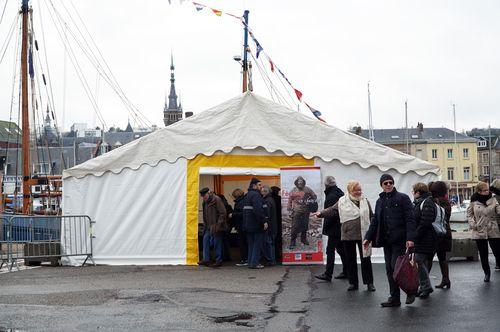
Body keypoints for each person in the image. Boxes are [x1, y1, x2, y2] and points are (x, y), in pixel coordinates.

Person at [363, 174, 415, 307]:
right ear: (381, 185)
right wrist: (368, 237)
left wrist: (410, 238)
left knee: (396, 267)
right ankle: (395, 298)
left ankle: (410, 291)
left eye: (390, 182)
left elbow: (410, 219)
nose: (388, 185)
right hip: (386, 241)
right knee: (389, 269)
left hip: (399, 239)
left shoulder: (403, 198)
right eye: (385, 183)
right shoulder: (380, 201)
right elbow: (375, 221)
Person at [315, 180, 375, 291]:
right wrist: (321, 213)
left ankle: (369, 283)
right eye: (356, 190)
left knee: (366, 259)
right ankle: (353, 283)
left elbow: (372, 216)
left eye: (360, 190)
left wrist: (373, 231)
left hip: (363, 234)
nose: (359, 192)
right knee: (350, 260)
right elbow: (332, 210)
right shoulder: (342, 201)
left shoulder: (365, 201)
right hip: (348, 235)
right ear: (350, 190)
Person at [315, 176, 348, 282]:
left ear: (326, 185)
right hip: (340, 226)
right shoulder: (340, 193)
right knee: (341, 250)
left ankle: (328, 274)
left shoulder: (331, 196)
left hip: (334, 228)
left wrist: (327, 228)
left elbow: (331, 213)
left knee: (330, 250)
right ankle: (347, 271)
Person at [467, 181, 500, 282]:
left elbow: (498, 210)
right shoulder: (473, 201)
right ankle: (487, 273)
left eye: (487, 190)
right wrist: (473, 224)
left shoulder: (493, 199)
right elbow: (469, 214)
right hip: (479, 230)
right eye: (485, 190)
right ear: (479, 191)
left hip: (492, 229)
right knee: (483, 254)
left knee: (498, 252)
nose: (487, 192)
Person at [411, 183, 437, 299]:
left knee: (419, 261)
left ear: (418, 192)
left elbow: (425, 222)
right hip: (425, 238)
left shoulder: (426, 202)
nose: (413, 194)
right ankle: (423, 287)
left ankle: (426, 287)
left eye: (414, 192)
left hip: (426, 238)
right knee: (422, 263)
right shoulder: (423, 202)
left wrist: (415, 235)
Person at [429, 181, 452, 289]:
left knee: (428, 257)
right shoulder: (446, 202)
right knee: (442, 257)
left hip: (435, 232)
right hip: (445, 231)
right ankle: (446, 279)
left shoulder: (435, 201)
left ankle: (423, 284)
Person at [198, 187, 227, 268]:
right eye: (203, 196)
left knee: (217, 243)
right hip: (208, 226)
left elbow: (223, 213)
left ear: (209, 193)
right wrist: (205, 224)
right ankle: (206, 259)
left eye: (205, 196)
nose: (204, 198)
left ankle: (218, 261)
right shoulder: (205, 202)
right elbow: (204, 214)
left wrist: (218, 225)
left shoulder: (217, 200)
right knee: (205, 241)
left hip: (216, 226)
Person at [243, 177, 268, 269]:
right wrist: (264, 221)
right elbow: (258, 210)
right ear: (254, 186)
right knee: (257, 244)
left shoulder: (247, 195)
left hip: (248, 224)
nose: (261, 187)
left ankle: (250, 262)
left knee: (251, 245)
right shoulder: (256, 195)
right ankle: (254, 263)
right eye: (259, 185)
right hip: (256, 224)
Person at [287, 176, 317, 248]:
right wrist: (289, 209)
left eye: (301, 182)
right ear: (296, 183)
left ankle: (303, 239)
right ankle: (292, 242)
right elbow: (290, 200)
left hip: (306, 211)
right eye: (298, 182)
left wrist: (309, 201)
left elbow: (314, 196)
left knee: (305, 226)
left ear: (303, 182)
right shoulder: (293, 190)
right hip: (296, 211)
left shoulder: (307, 189)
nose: (300, 183)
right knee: (294, 227)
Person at [230, 188, 248, 266]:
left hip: (241, 226)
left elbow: (242, 214)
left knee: (242, 243)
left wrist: (233, 214)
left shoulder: (240, 203)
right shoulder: (242, 201)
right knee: (244, 243)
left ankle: (244, 259)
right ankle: (245, 258)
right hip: (243, 225)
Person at [262, 185, 278, 266]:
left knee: (269, 243)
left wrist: (265, 222)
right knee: (271, 243)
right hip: (273, 225)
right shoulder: (271, 199)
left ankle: (271, 260)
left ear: (265, 192)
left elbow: (267, 214)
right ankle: (272, 260)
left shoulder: (267, 200)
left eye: (262, 191)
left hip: (270, 226)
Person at [216, 193, 233, 262]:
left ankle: (222, 256)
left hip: (222, 226)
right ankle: (227, 256)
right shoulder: (228, 206)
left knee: (220, 242)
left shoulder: (218, 206)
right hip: (228, 226)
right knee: (226, 242)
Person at [271, 186, 283, 263]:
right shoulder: (279, 199)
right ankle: (278, 253)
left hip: (272, 221)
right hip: (279, 220)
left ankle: (274, 254)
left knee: (273, 239)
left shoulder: (269, 199)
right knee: (278, 238)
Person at [490, 179, 500, 270]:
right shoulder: (493, 198)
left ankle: (498, 262)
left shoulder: (492, 199)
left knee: (495, 244)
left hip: (494, 224)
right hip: (495, 223)